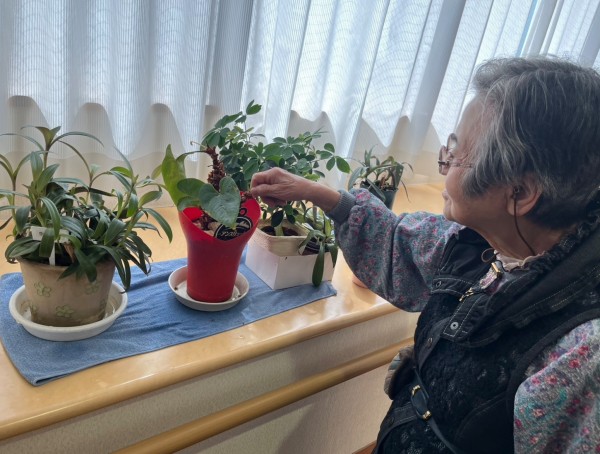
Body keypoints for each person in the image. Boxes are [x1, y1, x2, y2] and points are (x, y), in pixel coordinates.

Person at [250, 56, 600, 453]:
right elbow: (396, 241)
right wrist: (316, 193)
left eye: (457, 154)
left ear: (519, 193)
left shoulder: (581, 355)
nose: (444, 165)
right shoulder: (481, 244)